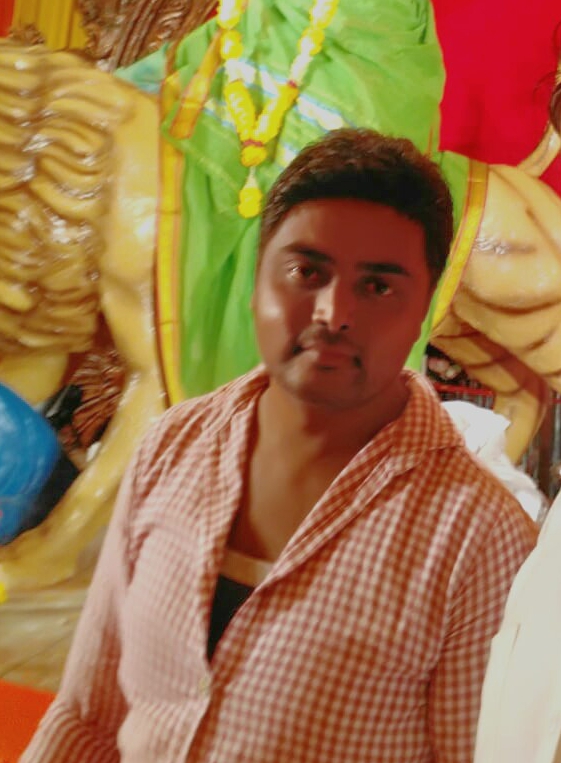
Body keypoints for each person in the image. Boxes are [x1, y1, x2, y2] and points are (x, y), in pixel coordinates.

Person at [21, 128, 537, 763]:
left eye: (378, 286)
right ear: (258, 278)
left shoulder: (479, 536)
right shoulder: (172, 446)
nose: (332, 312)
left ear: (423, 311)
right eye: (306, 271)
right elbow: (88, 716)